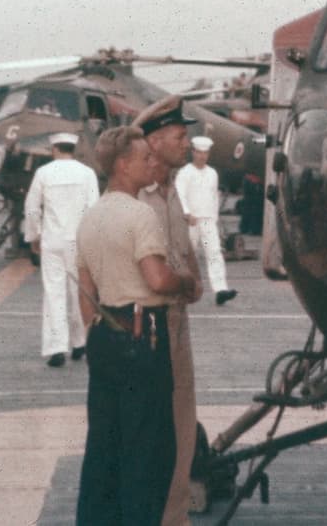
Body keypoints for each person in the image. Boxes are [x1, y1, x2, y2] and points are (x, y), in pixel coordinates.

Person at [73, 126, 190, 525]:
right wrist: (185, 282)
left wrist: (95, 335)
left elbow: (85, 292)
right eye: (145, 158)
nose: (152, 163)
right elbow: (157, 279)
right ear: (123, 166)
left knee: (103, 450)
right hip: (143, 339)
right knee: (148, 453)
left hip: (104, 336)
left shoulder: (90, 216)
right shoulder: (140, 214)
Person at [134, 99, 203, 526]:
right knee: (156, 425)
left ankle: (174, 516)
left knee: (182, 422)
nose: (187, 143)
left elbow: (181, 247)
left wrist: (194, 277)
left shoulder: (172, 189)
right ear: (154, 143)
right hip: (151, 322)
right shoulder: (137, 197)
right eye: (180, 137)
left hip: (177, 320)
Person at [24, 131, 101, 366]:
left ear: (55, 149)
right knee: (81, 291)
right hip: (79, 240)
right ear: (73, 149)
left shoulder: (43, 172)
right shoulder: (87, 173)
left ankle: (56, 347)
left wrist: (34, 235)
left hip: (53, 240)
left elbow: (32, 207)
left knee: (54, 292)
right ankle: (80, 343)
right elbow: (94, 208)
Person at [175, 135, 235, 306]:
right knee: (187, 255)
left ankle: (220, 290)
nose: (202, 156)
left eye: (205, 153)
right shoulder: (185, 173)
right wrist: (187, 213)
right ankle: (182, 289)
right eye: (199, 153)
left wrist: (214, 218)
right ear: (193, 153)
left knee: (214, 253)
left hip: (208, 220)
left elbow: (214, 196)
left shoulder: (212, 173)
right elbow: (180, 194)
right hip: (191, 221)